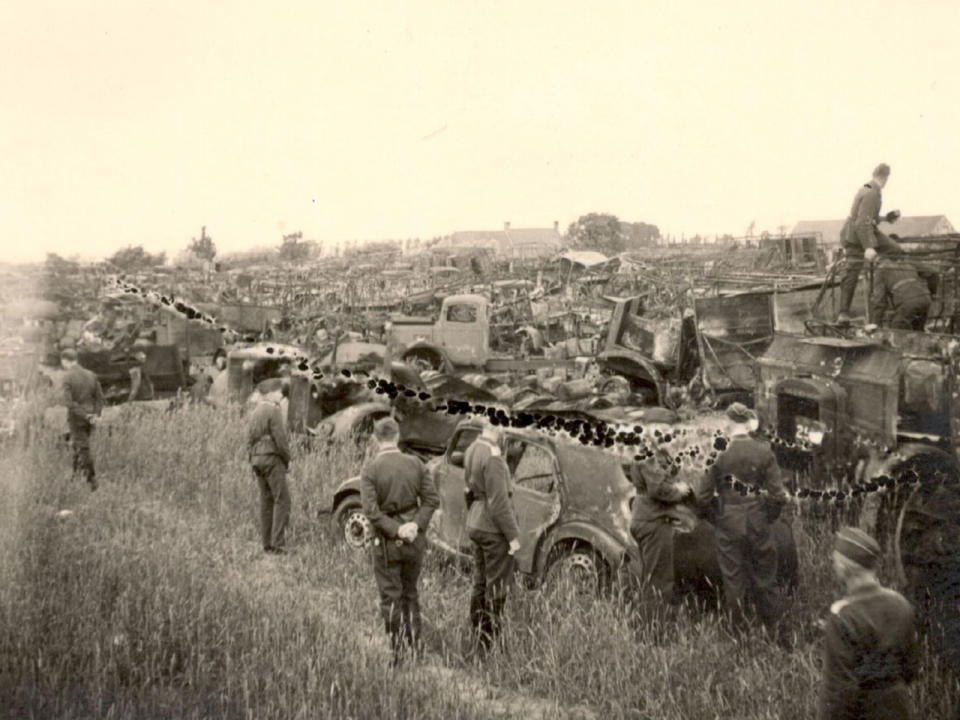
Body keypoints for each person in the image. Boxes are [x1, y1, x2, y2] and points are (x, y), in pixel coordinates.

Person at [696, 403, 787, 632]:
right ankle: (776, 632)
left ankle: (739, 635)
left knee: (733, 581)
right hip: (758, 519)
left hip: (728, 521)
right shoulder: (764, 451)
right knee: (766, 578)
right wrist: (767, 517)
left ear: (728, 424)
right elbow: (778, 496)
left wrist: (717, 519)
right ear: (748, 424)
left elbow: (703, 498)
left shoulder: (718, 454)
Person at [360, 417, 439, 665]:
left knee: (390, 597)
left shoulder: (370, 469)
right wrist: (414, 525)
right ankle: (416, 649)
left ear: (376, 438)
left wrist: (396, 529)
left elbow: (371, 512)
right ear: (397, 436)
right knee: (410, 593)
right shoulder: (416, 463)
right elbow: (431, 500)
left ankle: (398, 655)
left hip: (386, 543)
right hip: (414, 541)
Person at [819, 527, 919, 720]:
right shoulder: (900, 603)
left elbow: (838, 692)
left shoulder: (843, 615)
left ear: (843, 567)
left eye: (835, 560)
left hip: (862, 712)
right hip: (899, 709)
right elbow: (911, 669)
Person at [464, 420, 521, 655]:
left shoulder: (471, 449)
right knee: (496, 587)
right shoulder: (494, 457)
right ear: (497, 428)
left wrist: (474, 515)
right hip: (493, 528)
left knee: (479, 582)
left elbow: (468, 490)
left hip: (476, 521)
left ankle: (476, 638)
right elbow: (499, 504)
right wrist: (513, 537)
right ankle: (490, 646)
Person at [837, 163, 903, 324]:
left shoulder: (869, 188)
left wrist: (886, 218)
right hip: (855, 237)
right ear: (885, 177)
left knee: (895, 250)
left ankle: (884, 288)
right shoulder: (871, 193)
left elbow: (868, 217)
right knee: (852, 270)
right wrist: (868, 247)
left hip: (864, 231)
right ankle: (843, 313)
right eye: (887, 178)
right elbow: (861, 222)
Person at [629, 448, 696, 604]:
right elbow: (657, 489)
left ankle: (646, 623)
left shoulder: (641, 448)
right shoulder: (647, 453)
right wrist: (679, 490)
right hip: (654, 521)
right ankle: (653, 626)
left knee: (651, 577)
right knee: (659, 581)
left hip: (644, 517)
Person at [246, 380, 291, 554]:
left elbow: (249, 440)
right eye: (279, 393)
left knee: (265, 502)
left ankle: (266, 543)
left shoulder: (255, 411)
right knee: (283, 500)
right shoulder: (274, 410)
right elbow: (281, 439)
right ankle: (278, 544)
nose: (281, 397)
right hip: (272, 459)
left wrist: (252, 459)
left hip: (257, 460)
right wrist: (286, 460)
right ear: (271, 393)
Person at [60, 348, 104, 490]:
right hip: (91, 418)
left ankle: (92, 480)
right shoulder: (91, 375)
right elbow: (100, 398)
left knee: (82, 447)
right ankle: (75, 475)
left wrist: (85, 415)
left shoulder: (67, 377)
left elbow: (69, 403)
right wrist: (95, 415)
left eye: (63, 362)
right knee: (78, 445)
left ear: (65, 361)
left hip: (77, 418)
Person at [869, 253, 937, 331]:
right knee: (918, 330)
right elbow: (933, 273)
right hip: (925, 299)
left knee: (897, 329)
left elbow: (879, 300)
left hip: (908, 302)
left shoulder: (881, 270)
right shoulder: (907, 262)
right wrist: (932, 294)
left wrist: (876, 324)